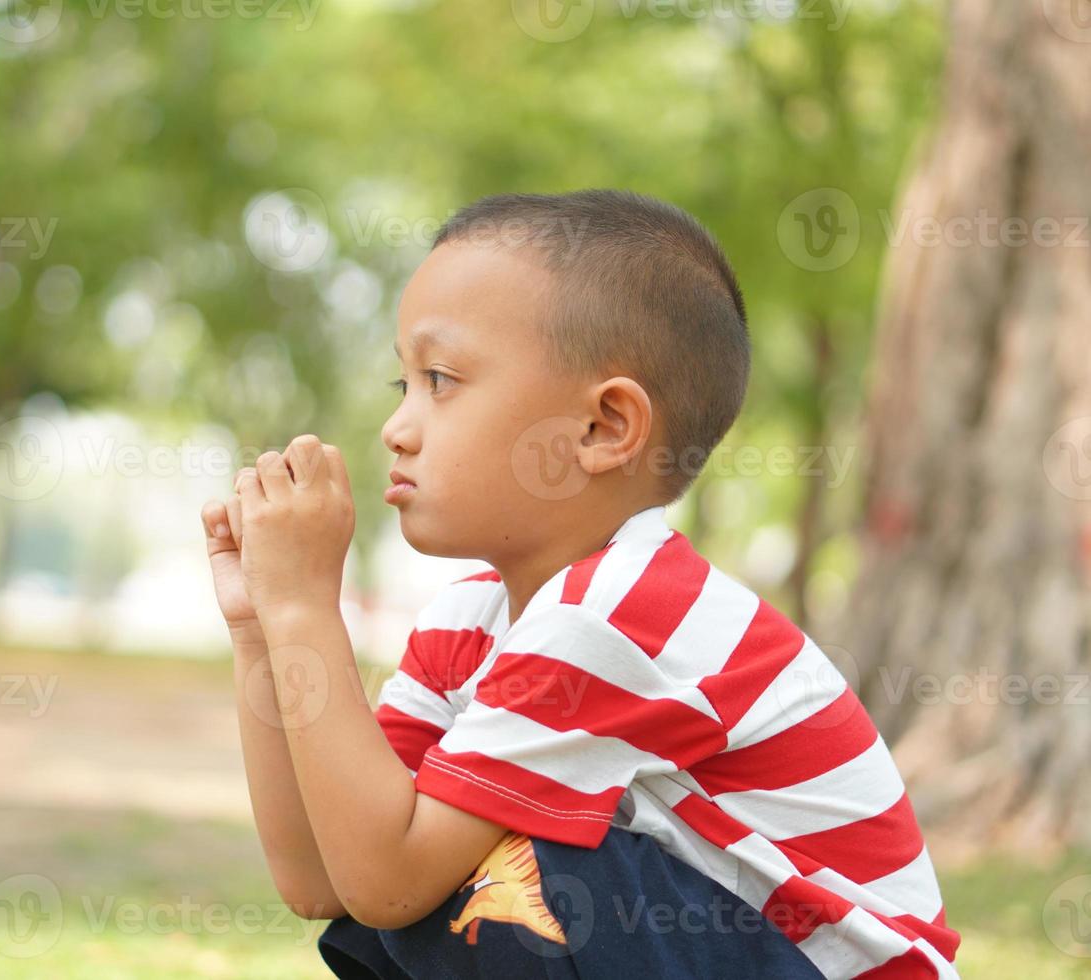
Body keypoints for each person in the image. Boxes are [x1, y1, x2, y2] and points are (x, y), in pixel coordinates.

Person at [200, 189, 961, 978]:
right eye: (404, 386)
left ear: (604, 428)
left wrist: (303, 605)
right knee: (446, 860)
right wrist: (262, 627)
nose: (397, 426)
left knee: (507, 878)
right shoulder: (469, 619)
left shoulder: (621, 616)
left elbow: (388, 879)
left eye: (441, 378)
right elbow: (328, 878)